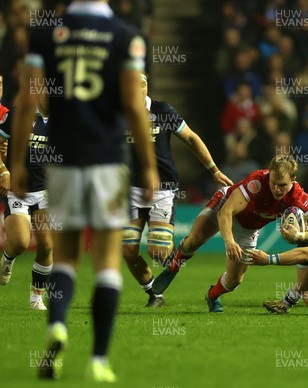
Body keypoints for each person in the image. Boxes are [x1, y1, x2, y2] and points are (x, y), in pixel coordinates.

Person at [10, 0, 159, 382]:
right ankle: (98, 359)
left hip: (62, 162)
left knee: (66, 258)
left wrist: (17, 161)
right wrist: (148, 164)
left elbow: (27, 100)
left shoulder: (45, 34)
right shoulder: (125, 37)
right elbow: (132, 104)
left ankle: (57, 325)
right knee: (107, 262)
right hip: (109, 161)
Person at [152, 156, 308, 313]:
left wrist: (301, 237)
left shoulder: (298, 197)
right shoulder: (257, 183)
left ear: (293, 179)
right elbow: (226, 212)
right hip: (224, 207)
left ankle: (212, 296)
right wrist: (229, 241)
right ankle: (174, 267)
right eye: (273, 183)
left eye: (282, 185)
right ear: (269, 175)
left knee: (234, 280)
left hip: (249, 228)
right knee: (194, 241)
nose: (276, 189)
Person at [122, 74, 233, 308]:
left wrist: (213, 170)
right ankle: (155, 293)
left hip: (163, 189)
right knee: (128, 250)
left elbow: (191, 138)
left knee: (158, 252)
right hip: (131, 189)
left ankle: (177, 255)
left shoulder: (163, 111)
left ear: (144, 87)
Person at [0, 94, 54, 311]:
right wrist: (3, 170)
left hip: (46, 191)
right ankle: (8, 258)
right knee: (21, 242)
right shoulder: (18, 115)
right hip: (18, 190)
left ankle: (36, 298)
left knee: (47, 245)